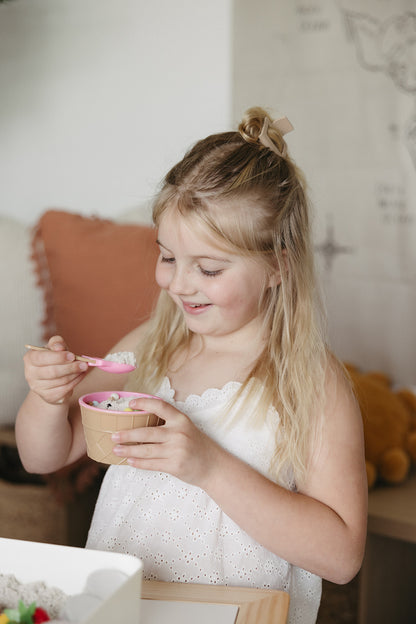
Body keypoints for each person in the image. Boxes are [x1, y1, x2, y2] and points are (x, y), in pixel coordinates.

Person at [16, 106, 368, 624]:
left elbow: (341, 558)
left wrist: (208, 465)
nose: (179, 284)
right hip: (124, 611)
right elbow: (43, 457)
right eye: (167, 257)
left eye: (207, 267)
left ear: (278, 265)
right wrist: (47, 400)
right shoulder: (149, 344)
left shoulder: (309, 379)